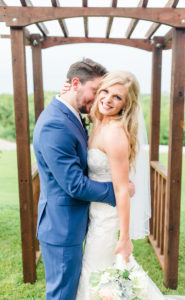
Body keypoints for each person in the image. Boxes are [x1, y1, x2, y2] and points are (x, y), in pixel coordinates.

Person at [33, 58, 134, 300]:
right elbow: (74, 185)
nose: (99, 98)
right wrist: (120, 190)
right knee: (62, 294)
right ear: (75, 83)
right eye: (96, 91)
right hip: (61, 226)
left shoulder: (73, 115)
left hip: (75, 222)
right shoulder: (56, 124)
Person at [75, 70, 152, 299]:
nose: (108, 99)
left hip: (107, 220)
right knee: (101, 274)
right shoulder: (98, 121)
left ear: (126, 105)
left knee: (96, 274)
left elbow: (121, 189)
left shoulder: (116, 134)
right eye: (105, 91)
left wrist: (125, 237)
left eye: (117, 97)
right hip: (93, 213)